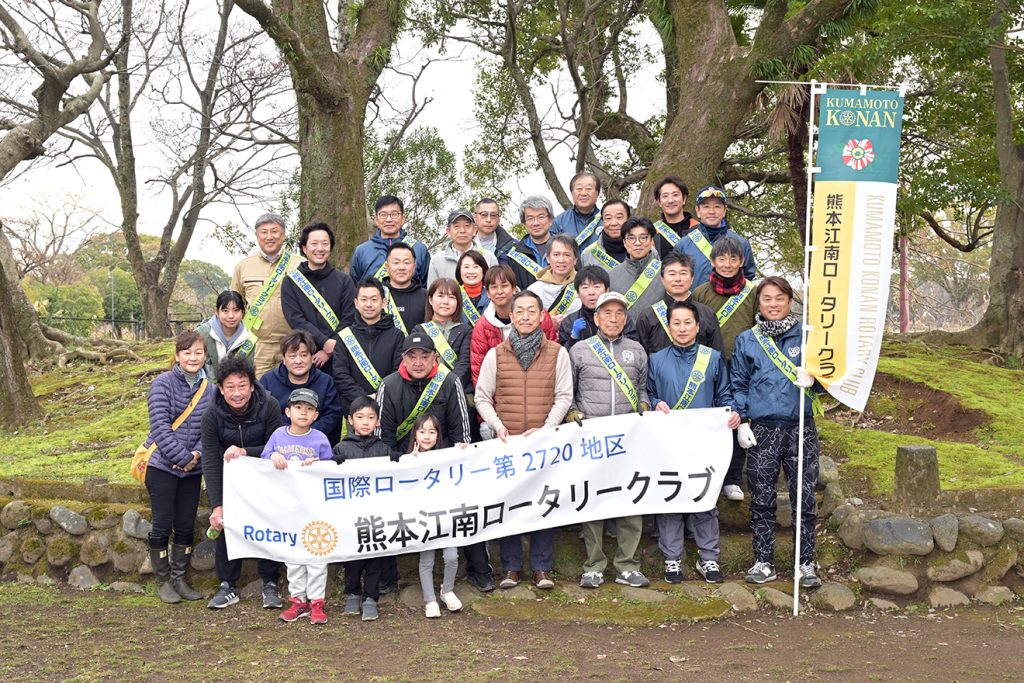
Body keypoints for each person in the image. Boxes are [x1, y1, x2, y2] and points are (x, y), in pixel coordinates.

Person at [474, 291, 572, 590]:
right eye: (521, 311)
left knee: (544, 502)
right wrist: (498, 426)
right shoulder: (496, 354)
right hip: (508, 444)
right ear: (512, 316)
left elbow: (564, 396)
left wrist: (546, 428)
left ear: (543, 315)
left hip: (544, 443)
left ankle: (542, 568)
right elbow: (482, 396)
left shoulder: (558, 353)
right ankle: (511, 568)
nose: (526, 316)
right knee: (511, 504)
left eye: (533, 310)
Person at [730, 277, 823, 590]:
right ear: (759, 303)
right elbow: (739, 383)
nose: (772, 304)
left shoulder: (809, 335)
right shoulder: (747, 340)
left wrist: (815, 380)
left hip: (801, 427)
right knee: (763, 498)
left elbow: (830, 376)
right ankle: (763, 560)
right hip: (763, 429)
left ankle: (805, 563)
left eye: (779, 298)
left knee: (804, 498)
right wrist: (742, 420)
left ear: (789, 301)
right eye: (766, 298)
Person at [647, 301, 740, 584]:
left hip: (704, 442)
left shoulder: (712, 358)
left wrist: (732, 412)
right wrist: (654, 403)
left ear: (698, 327)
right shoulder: (656, 359)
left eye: (688, 322)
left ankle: (708, 558)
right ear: (669, 326)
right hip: (668, 443)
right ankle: (672, 559)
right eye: (677, 322)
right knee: (670, 498)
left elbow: (724, 394)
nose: (683, 328)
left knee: (705, 497)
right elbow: (649, 394)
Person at [567, 292, 651, 589]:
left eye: (619, 313)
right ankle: (593, 565)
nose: (613, 318)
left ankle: (628, 565)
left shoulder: (637, 350)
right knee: (593, 501)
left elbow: (643, 388)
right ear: (596, 317)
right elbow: (569, 391)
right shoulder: (579, 350)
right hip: (592, 438)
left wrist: (643, 405)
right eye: (606, 313)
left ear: (625, 318)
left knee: (631, 499)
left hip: (628, 440)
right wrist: (574, 414)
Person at [201, 355, 283, 610]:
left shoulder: (269, 405)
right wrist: (217, 505)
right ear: (221, 388)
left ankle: (270, 582)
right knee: (226, 521)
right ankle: (227, 585)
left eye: (242, 385)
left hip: (265, 477)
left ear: (251, 385)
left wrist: (245, 451)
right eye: (230, 387)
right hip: (230, 480)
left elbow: (275, 447)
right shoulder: (211, 416)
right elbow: (211, 461)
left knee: (268, 521)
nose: (237, 393)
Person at [143, 330, 212, 604]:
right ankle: (163, 581)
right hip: (162, 465)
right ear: (177, 355)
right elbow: (159, 426)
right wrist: (182, 457)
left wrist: (195, 455)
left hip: (193, 469)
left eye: (198, 352)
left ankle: (179, 579)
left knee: (185, 524)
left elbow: (210, 428)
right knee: (162, 523)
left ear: (205, 356)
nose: (193, 358)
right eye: (187, 352)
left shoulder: (211, 389)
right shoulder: (162, 384)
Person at [692, 235, 758, 501]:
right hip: (709, 365)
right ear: (712, 261)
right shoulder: (700, 293)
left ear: (742, 261)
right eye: (722, 258)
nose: (728, 264)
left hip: (743, 366)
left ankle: (732, 479)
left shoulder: (752, 292)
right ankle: (710, 475)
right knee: (712, 421)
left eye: (733, 258)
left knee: (738, 419)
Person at [263, 388, 334, 625]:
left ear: (316, 415)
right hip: (287, 509)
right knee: (293, 556)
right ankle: (298, 601)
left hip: (314, 510)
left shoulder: (320, 439)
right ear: (288, 411)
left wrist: (318, 465)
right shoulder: (277, 436)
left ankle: (316, 602)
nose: (303, 412)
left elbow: (330, 471)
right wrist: (272, 458)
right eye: (298, 407)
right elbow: (262, 464)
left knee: (316, 556)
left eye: (309, 409)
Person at [332, 396, 403, 621]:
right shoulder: (341, 448)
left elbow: (405, 468)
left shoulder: (384, 450)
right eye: (360, 417)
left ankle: (371, 597)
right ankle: (352, 593)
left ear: (378, 422)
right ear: (350, 420)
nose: (365, 422)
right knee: (352, 559)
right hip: (350, 516)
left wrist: (406, 459)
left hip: (377, 515)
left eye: (371, 418)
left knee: (376, 558)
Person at [281, 221, 357, 377]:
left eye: (325, 244)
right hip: (304, 356)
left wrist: (329, 350)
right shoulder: (291, 282)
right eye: (314, 244)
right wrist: (324, 342)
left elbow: (349, 317)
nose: (320, 249)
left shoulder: (344, 280)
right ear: (304, 248)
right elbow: (296, 319)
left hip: (340, 355)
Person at [231, 213, 301, 378]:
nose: (269, 237)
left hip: (293, 343)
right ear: (257, 236)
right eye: (264, 232)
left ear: (283, 235)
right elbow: (234, 306)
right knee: (259, 393)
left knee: (294, 394)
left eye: (274, 231)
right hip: (258, 345)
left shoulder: (300, 264)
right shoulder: (243, 267)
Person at [376, 332, 471, 453]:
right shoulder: (388, 385)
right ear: (403, 358)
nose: (418, 363)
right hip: (402, 460)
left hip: (442, 459)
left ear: (435, 357)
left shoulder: (450, 382)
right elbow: (384, 437)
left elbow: (461, 435)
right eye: (412, 357)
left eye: (425, 357)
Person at [409, 414, 464, 618]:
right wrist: (411, 463)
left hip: (446, 518)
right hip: (423, 520)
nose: (427, 436)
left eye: (432, 432)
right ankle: (430, 599)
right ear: (414, 433)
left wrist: (464, 452)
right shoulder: (407, 459)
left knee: (451, 556)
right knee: (426, 560)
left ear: (438, 435)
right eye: (422, 431)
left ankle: (447, 590)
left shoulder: (446, 457)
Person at [469, 264, 557, 386]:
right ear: (488, 293)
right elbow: (479, 370)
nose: (499, 292)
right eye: (494, 287)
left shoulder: (537, 315)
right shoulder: (482, 326)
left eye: (504, 286)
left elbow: (553, 356)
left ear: (514, 288)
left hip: (539, 387)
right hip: (502, 393)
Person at [331, 278, 405, 416]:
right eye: (364, 299)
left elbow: (398, 372)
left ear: (383, 302)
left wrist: (380, 397)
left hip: (388, 409)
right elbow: (340, 374)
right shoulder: (344, 337)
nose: (369, 304)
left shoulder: (397, 336)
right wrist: (363, 399)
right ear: (356, 303)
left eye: (374, 299)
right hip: (354, 410)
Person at [259, 331, 343, 444]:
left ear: (312, 357)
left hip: (316, 443)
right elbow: (264, 414)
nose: (298, 361)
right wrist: (290, 432)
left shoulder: (326, 381)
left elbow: (333, 414)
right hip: (279, 442)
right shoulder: (268, 381)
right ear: (284, 359)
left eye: (304, 355)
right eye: (292, 356)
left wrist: (309, 433)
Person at [635, 252, 723, 356]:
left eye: (683, 273)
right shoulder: (648, 317)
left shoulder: (707, 314)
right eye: (672, 274)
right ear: (662, 279)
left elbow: (718, 360)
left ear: (692, 278)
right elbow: (641, 360)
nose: (677, 279)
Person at [674, 186, 756, 290]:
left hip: (728, 304)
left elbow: (748, 276)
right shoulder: (683, 244)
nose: (712, 211)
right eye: (706, 206)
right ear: (698, 211)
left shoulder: (741, 243)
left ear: (724, 211)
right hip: (693, 304)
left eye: (717, 206)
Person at [349, 195, 431, 286]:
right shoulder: (362, 251)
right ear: (376, 219)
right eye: (383, 215)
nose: (389, 219)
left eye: (394, 214)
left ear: (403, 219)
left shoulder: (419, 249)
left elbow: (427, 288)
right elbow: (355, 288)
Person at [411, 279, 473, 397]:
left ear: (458, 303)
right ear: (430, 300)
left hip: (456, 392)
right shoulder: (419, 330)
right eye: (440, 296)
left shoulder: (466, 331)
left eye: (451, 297)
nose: (446, 302)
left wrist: (447, 387)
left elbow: (464, 365)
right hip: (426, 393)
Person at [557, 266, 639, 351]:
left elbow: (633, 347)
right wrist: (573, 338)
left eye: (596, 287)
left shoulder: (619, 317)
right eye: (585, 288)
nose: (591, 292)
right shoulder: (569, 322)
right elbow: (564, 357)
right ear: (577, 293)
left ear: (607, 290)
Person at [196, 290, 258, 379]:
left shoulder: (249, 339)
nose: (231, 316)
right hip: (204, 388)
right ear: (217, 312)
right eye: (225, 311)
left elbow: (247, 373)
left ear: (243, 312)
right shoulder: (201, 334)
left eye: (236, 310)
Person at [609, 217, 665, 313]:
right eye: (631, 238)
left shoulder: (666, 272)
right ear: (624, 243)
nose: (638, 243)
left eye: (643, 237)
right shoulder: (611, 276)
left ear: (652, 241)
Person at [427, 210, 498, 285]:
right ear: (448, 231)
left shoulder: (488, 257)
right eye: (457, 226)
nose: (462, 231)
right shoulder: (437, 260)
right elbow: (432, 292)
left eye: (467, 226)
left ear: (474, 230)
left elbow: (495, 288)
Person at [527, 233, 581, 327]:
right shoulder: (534, 290)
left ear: (575, 259)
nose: (561, 260)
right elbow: (526, 323)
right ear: (548, 258)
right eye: (556, 254)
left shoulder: (584, 286)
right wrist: (547, 324)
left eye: (567, 255)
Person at [506, 196, 555, 290]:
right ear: (524, 223)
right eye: (530, 218)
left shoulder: (566, 248)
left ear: (551, 220)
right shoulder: (515, 255)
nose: (536, 223)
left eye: (541, 217)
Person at [381, 242, 427, 334]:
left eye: (406, 262)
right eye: (396, 262)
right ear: (387, 266)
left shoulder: (426, 296)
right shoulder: (378, 294)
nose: (401, 267)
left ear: (414, 267)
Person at [551, 172, 602, 250]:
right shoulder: (559, 222)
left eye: (588, 189)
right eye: (579, 189)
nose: (583, 193)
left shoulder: (607, 220)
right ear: (572, 193)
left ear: (597, 193)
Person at [652, 176, 700, 257]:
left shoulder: (699, 229)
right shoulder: (653, 232)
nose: (670, 200)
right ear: (659, 202)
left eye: (675, 195)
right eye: (665, 196)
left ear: (684, 199)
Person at [579, 199, 629, 271]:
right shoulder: (588, 254)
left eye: (619, 217)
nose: (613, 223)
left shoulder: (644, 250)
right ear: (602, 221)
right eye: (608, 218)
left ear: (628, 219)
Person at [473, 198, 516, 262]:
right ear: (475, 217)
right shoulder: (463, 242)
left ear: (498, 219)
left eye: (493, 215)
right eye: (484, 215)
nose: (488, 220)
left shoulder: (513, 247)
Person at [455, 250, 490, 326]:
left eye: (476, 267)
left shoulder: (492, 297)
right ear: (459, 270)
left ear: (483, 270)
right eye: (466, 267)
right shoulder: (453, 296)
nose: (471, 271)